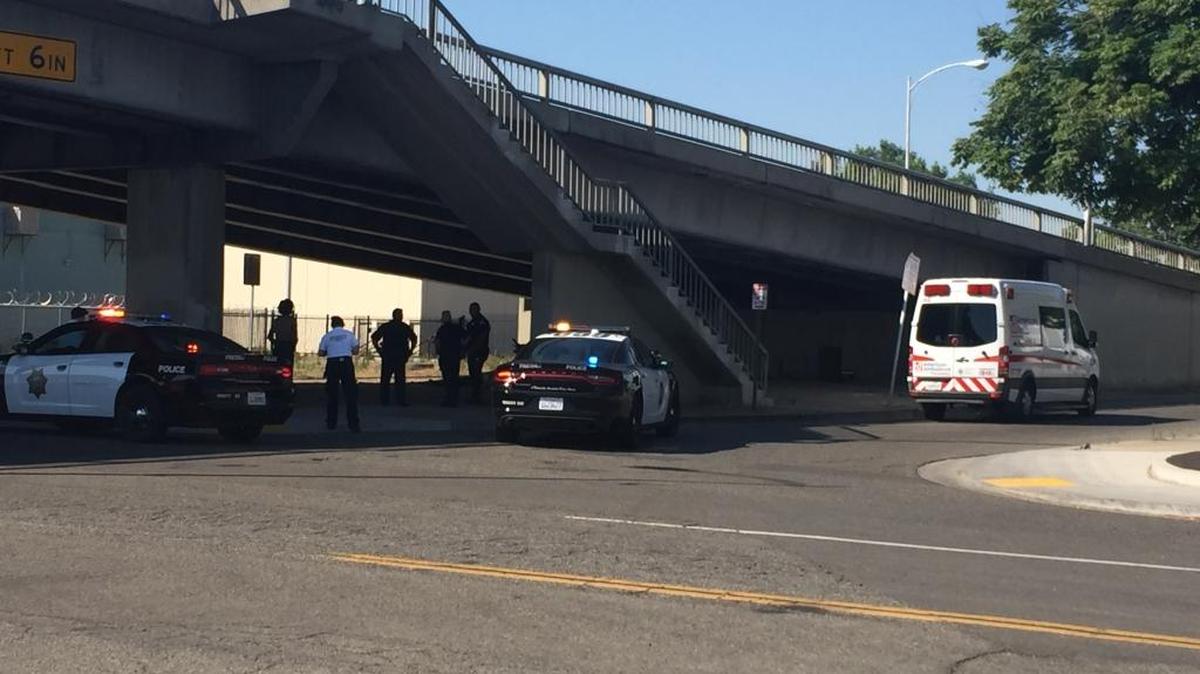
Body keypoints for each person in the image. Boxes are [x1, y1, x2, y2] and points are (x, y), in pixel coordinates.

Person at [318, 316, 361, 432]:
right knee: (350, 394)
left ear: (332, 324)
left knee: (332, 394)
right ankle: (353, 423)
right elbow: (356, 350)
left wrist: (330, 351)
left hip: (332, 364)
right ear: (343, 324)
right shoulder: (349, 334)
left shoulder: (327, 336)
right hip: (346, 363)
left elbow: (321, 353)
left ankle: (331, 422)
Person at [371, 308, 418, 406]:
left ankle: (385, 400)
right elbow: (414, 338)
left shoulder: (387, 326)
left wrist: (379, 350)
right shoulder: (403, 327)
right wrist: (410, 351)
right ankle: (399, 400)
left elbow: (374, 338)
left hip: (390, 356)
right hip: (398, 356)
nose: (401, 316)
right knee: (398, 379)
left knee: (387, 379)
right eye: (400, 314)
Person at [433, 310, 465, 407]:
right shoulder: (457, 328)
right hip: (455, 357)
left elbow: (437, 343)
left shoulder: (442, 329)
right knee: (454, 378)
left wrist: (438, 352)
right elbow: (466, 338)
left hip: (445, 357)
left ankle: (448, 399)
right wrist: (462, 350)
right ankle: (454, 399)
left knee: (447, 379)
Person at [463, 302, 491, 404]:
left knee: (476, 373)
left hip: (479, 351)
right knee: (473, 373)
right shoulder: (472, 323)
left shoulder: (482, 322)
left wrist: (474, 349)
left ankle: (477, 396)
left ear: (478, 310)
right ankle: (474, 395)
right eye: (471, 309)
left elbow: (482, 338)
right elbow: (467, 336)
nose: (472, 312)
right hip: (472, 352)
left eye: (474, 309)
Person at [267, 299, 298, 365]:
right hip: (288, 347)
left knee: (277, 366)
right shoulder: (292, 321)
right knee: (287, 366)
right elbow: (294, 336)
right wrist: (293, 346)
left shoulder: (276, 321)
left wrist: (274, 342)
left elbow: (270, 336)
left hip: (278, 346)